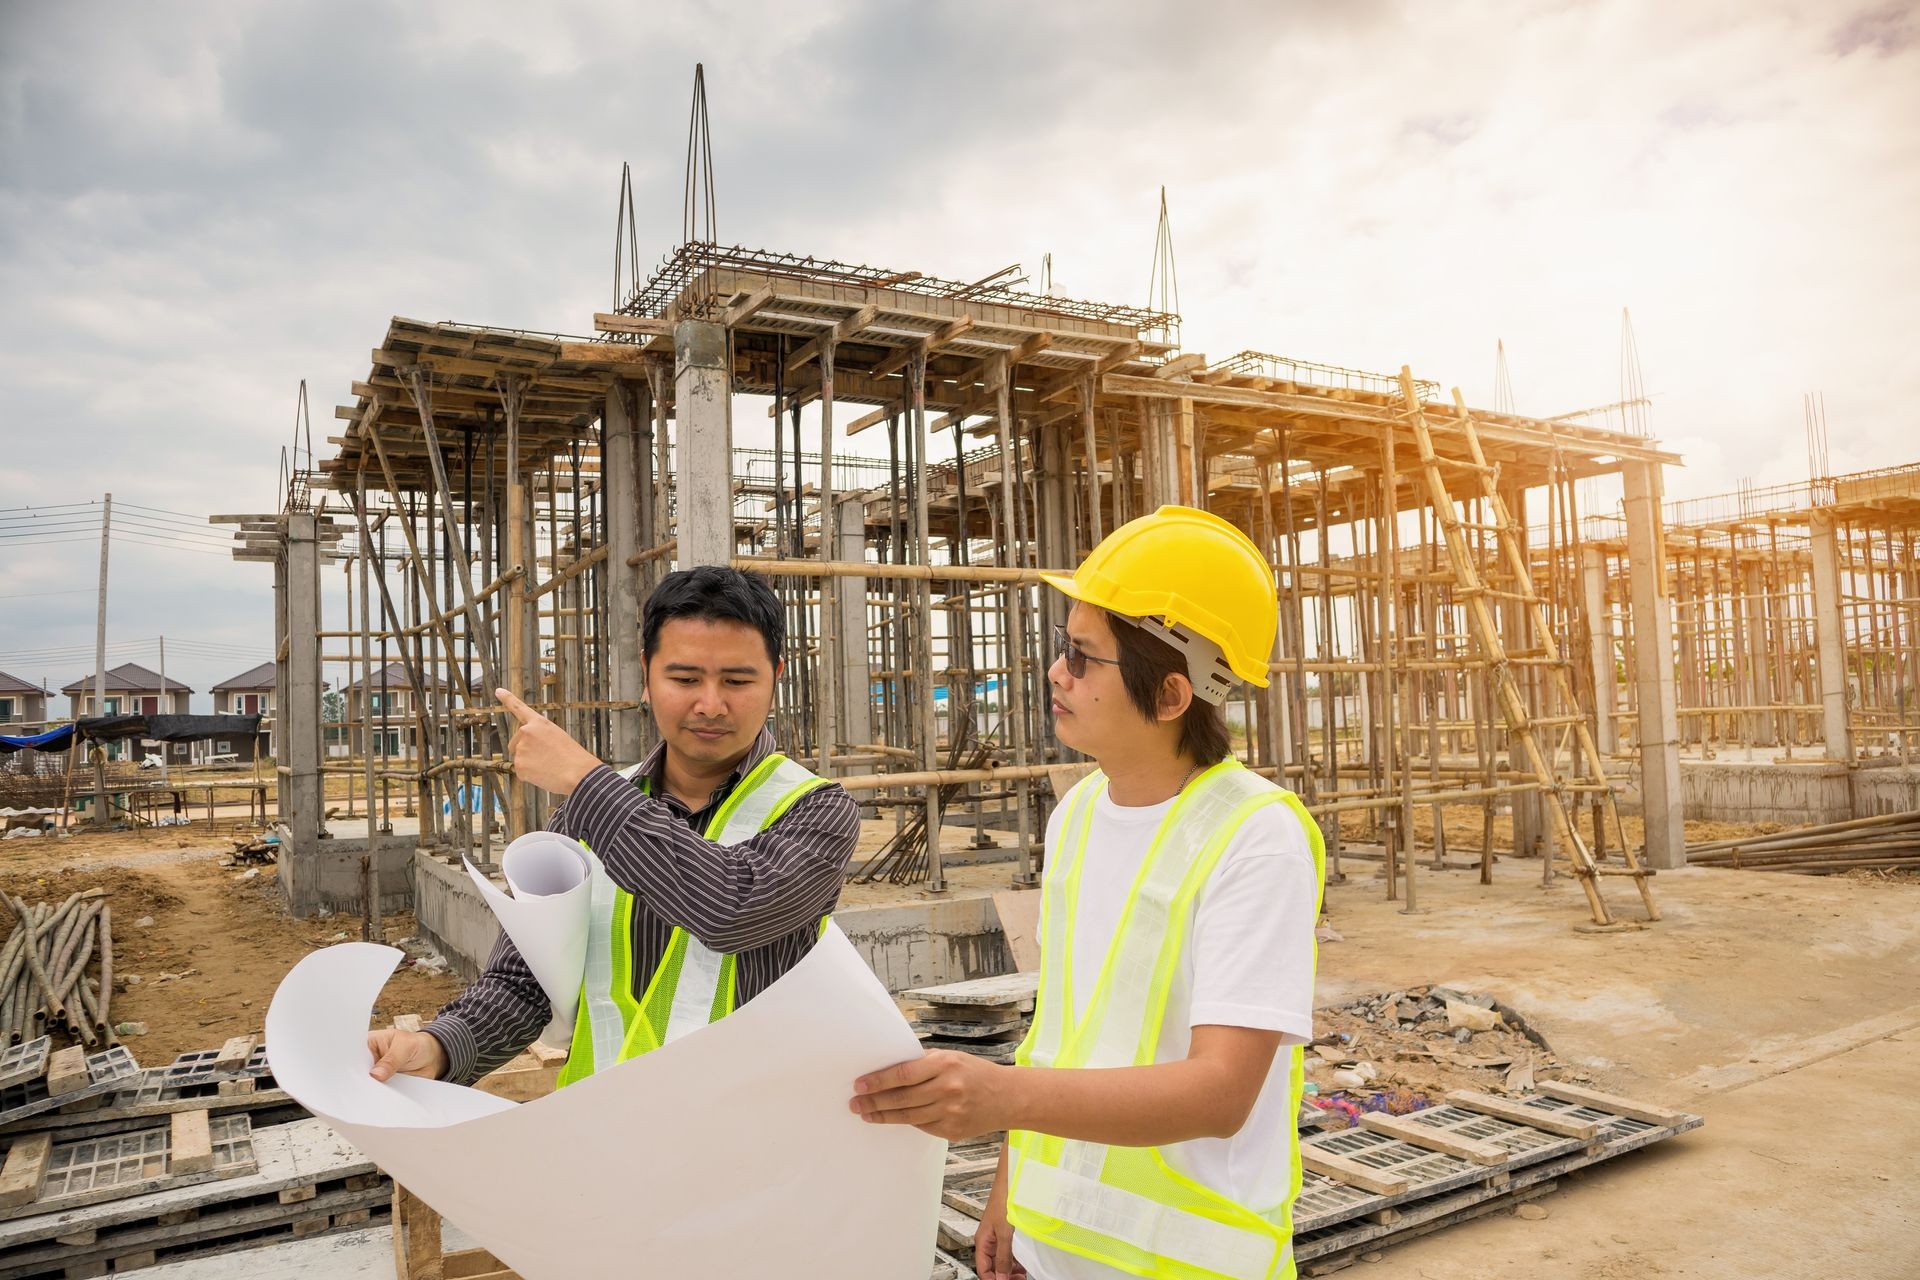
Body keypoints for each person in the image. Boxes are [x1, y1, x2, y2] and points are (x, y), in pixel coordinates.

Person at [850, 505, 1326, 1280]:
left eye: (1083, 658)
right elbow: (1063, 1031)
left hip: (1182, 1265)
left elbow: (1220, 1092)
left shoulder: (1255, 839)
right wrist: (1015, 1181)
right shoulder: (1077, 813)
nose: (1055, 674)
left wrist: (1003, 1100)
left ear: (1171, 697)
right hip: (1053, 1242)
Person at [367, 565, 862, 1087]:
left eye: (737, 681)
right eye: (685, 679)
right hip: (604, 1132)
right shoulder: (588, 809)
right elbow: (526, 980)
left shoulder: (815, 810)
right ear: (646, 676)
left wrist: (585, 782)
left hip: (752, 1135)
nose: (710, 704)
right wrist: (440, 1045)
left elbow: (731, 911)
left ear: (775, 678)